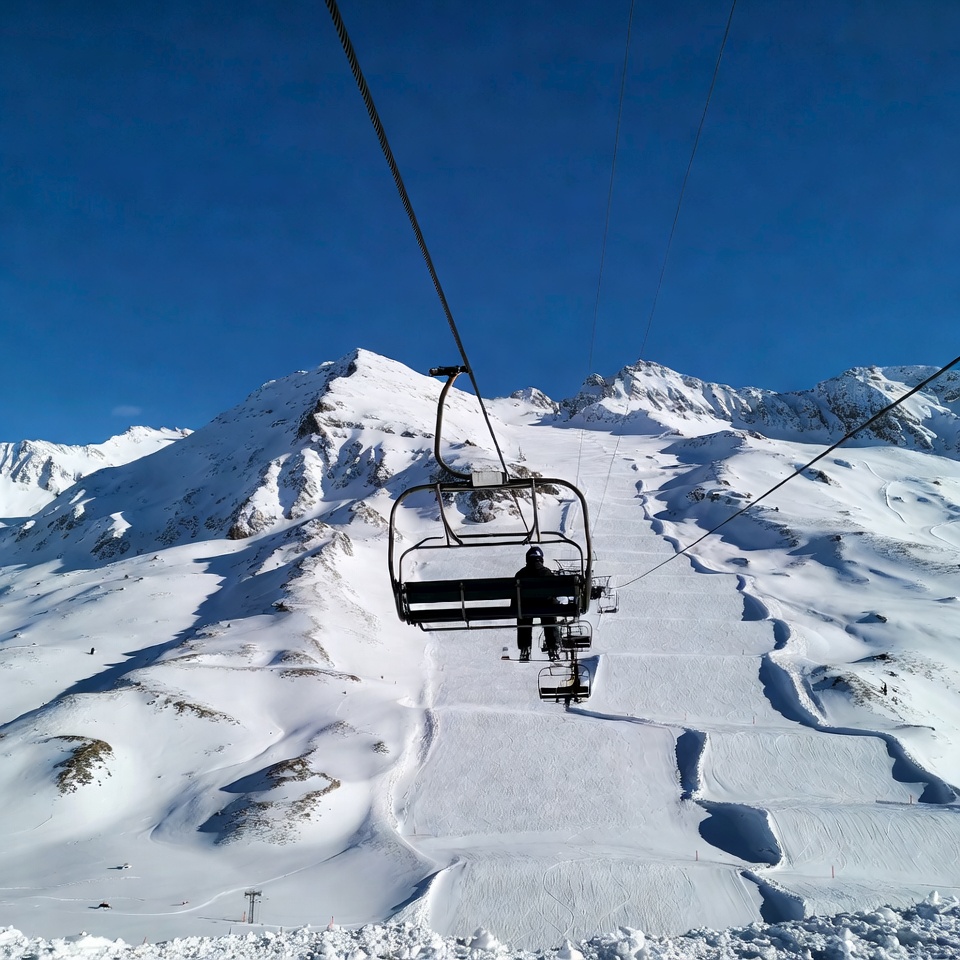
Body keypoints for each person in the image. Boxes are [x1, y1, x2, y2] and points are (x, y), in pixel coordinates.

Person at [515, 545, 560, 662]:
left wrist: (514, 607)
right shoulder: (547, 573)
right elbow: (554, 592)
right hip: (545, 608)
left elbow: (515, 595)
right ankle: (553, 647)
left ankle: (525, 648)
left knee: (523, 616)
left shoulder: (520, 575)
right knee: (549, 616)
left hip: (525, 609)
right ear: (541, 559)